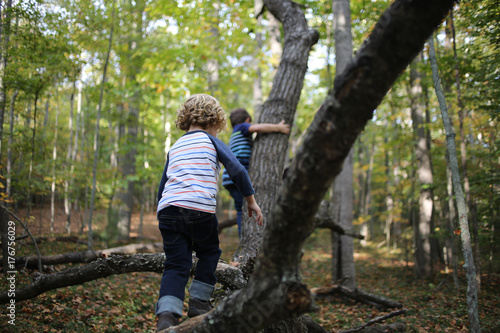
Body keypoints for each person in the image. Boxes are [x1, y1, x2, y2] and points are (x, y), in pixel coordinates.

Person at [155, 94, 263, 331]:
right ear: (214, 121)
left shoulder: (175, 146)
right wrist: (251, 202)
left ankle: (166, 316)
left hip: (169, 210)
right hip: (199, 209)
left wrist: (160, 212)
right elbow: (238, 171)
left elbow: (163, 185)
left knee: (175, 264)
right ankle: (199, 302)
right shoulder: (210, 140)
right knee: (209, 252)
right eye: (218, 128)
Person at [221, 108, 289, 237]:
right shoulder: (242, 127)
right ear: (247, 120)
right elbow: (257, 128)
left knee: (241, 209)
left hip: (229, 178)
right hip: (236, 177)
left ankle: (242, 237)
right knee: (243, 210)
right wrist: (278, 128)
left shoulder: (235, 133)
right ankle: (243, 237)